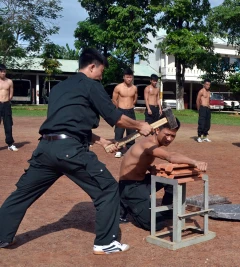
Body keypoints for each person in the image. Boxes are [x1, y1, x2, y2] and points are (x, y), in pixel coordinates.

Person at [0, 48, 153, 254]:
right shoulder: (91, 85)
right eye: (101, 70)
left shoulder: (60, 88)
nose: (101, 75)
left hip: (45, 149)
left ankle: (2, 236)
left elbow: (65, 124)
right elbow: (115, 116)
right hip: (71, 151)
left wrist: (100, 141)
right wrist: (140, 126)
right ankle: (106, 242)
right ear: (92, 66)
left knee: (22, 194)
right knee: (108, 189)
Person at [118, 117, 207, 230]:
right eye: (167, 134)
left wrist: (149, 168)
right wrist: (195, 162)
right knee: (157, 224)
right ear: (157, 130)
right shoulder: (148, 143)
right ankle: (127, 206)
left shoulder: (153, 143)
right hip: (129, 187)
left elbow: (136, 160)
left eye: (173, 136)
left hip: (141, 181)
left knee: (171, 178)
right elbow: (171, 156)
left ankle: (167, 211)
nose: (169, 139)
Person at [112, 68, 138, 158]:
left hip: (131, 111)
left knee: (132, 131)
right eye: (127, 77)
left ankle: (130, 149)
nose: (129, 79)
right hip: (120, 110)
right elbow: (114, 99)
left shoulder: (134, 88)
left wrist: (131, 105)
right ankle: (118, 149)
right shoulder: (118, 87)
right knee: (119, 131)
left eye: (130, 77)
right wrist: (118, 109)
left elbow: (135, 99)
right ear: (124, 77)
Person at [0, 64, 18, 151]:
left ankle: (10, 144)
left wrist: (7, 101)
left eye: (4, 71)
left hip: (6, 104)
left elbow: (11, 94)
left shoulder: (9, 82)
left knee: (8, 125)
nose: (3, 73)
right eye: (1, 72)